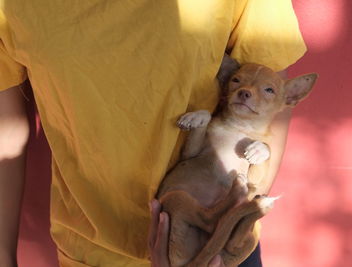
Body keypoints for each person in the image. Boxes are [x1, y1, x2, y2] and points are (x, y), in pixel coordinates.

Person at [0, 0, 306, 266]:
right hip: (94, 251)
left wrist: (219, 242)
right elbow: (7, 131)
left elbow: (270, 96)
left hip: (212, 245)